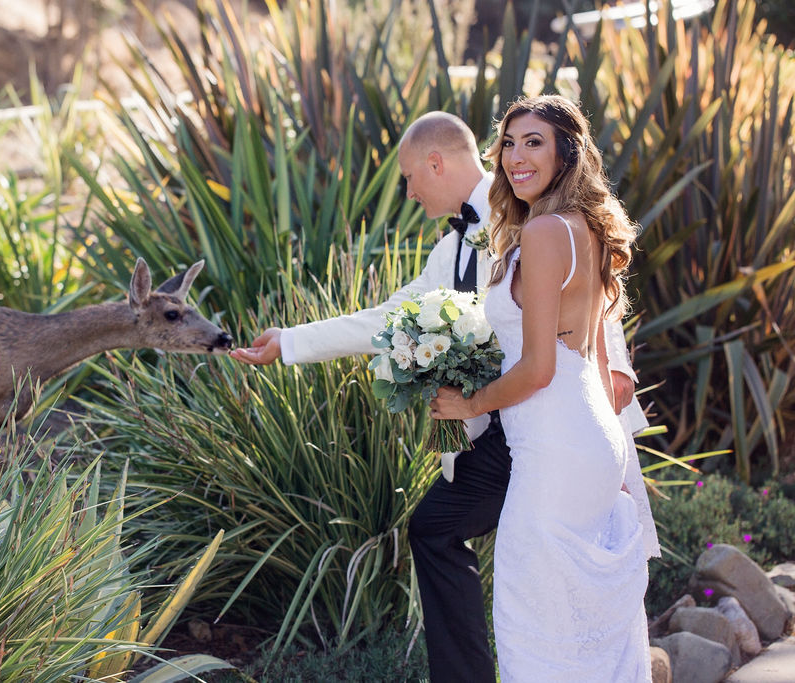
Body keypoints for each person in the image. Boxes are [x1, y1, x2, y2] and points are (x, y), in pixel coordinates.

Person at [230, 110, 651, 682]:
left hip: (544, 423)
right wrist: (292, 341)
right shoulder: (458, 247)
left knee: (538, 595)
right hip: (519, 427)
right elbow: (391, 316)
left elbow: (589, 326)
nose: (407, 192)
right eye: (509, 144)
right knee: (464, 544)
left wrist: (612, 386)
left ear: (435, 162)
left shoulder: (538, 222)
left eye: (410, 177)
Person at [430, 94, 653, 681]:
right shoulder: (584, 230)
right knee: (574, 629)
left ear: (566, 154)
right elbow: (595, 359)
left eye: (535, 143)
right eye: (509, 142)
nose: (516, 157)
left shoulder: (547, 233)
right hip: (587, 437)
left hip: (554, 448)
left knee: (534, 628)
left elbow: (538, 370)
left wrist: (467, 403)